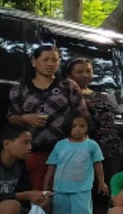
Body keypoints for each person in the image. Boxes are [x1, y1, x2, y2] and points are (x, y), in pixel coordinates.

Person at [6, 43, 84, 190]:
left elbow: (81, 115)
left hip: (65, 150)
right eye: (45, 60)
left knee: (64, 190)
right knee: (37, 189)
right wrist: (24, 119)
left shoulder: (68, 86)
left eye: (54, 60)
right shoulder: (20, 88)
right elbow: (11, 118)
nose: (50, 64)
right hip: (33, 150)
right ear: (34, 62)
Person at [66, 57, 123, 214]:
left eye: (88, 71)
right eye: (79, 71)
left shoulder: (101, 95)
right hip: (86, 147)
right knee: (87, 189)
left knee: (105, 189)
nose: (85, 75)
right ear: (70, 74)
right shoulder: (70, 95)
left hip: (111, 146)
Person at [44, 112, 107, 214]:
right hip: (60, 187)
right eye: (74, 126)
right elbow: (52, 166)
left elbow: (98, 164)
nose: (78, 129)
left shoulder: (92, 145)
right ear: (68, 128)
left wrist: (101, 182)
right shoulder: (60, 145)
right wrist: (46, 185)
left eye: (82, 126)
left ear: (88, 127)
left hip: (82, 187)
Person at [1, 125, 51, 214]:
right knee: (12, 206)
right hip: (6, 207)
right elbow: (22, 195)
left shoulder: (20, 164)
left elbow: (24, 190)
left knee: (43, 205)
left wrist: (37, 197)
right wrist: (27, 195)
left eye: (30, 143)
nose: (29, 148)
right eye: (24, 143)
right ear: (6, 143)